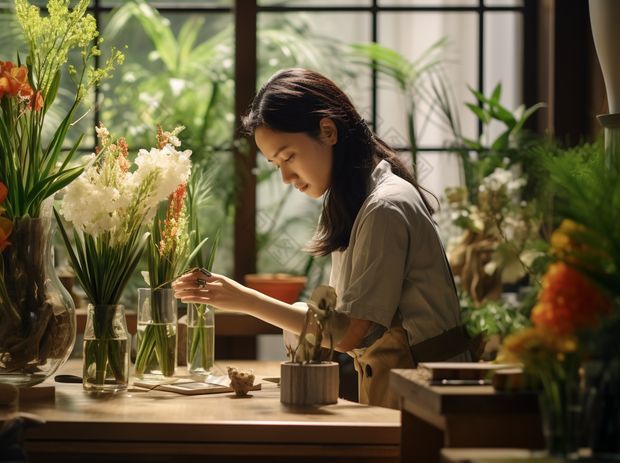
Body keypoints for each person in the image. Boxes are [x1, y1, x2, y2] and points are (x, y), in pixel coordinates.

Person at [172, 68, 485, 409]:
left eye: (288, 156)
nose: (286, 177)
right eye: (276, 164)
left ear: (327, 130)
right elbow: (342, 323)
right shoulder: (353, 200)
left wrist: (246, 299)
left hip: (426, 396)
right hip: (404, 386)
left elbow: (351, 334)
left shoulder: (384, 205)